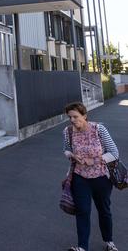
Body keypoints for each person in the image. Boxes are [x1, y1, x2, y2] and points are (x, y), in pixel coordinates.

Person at [63, 102, 119, 251]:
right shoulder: (68, 131)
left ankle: (109, 242)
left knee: (104, 210)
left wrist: (93, 160)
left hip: (101, 178)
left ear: (85, 116)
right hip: (80, 178)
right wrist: (73, 156)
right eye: (70, 117)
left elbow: (114, 153)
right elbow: (66, 150)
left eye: (76, 116)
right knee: (82, 211)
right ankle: (82, 247)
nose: (73, 120)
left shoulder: (99, 129)